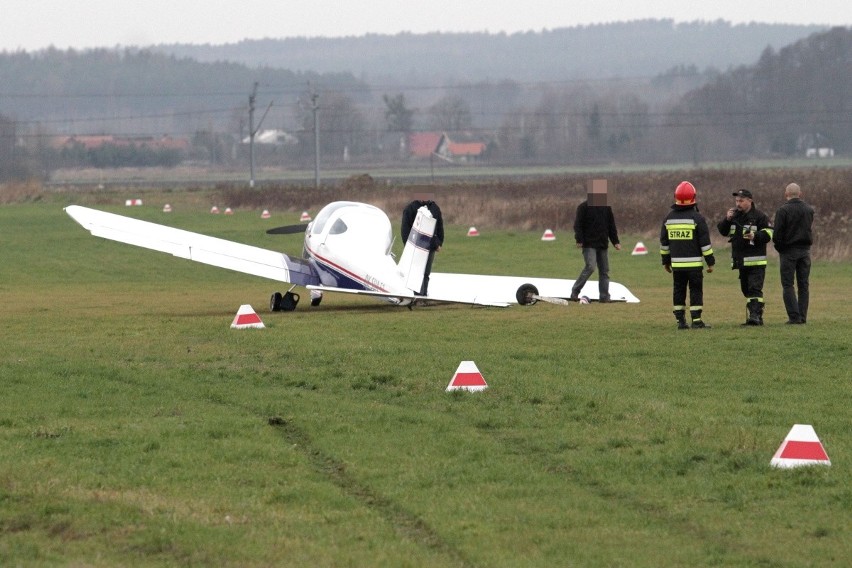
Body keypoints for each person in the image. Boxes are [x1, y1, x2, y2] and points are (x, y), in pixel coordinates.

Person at [660, 181, 715, 329]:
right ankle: (696, 321)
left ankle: (680, 321)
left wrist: (666, 261)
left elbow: (664, 244)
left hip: (677, 266)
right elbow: (705, 244)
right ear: (694, 198)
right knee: (695, 290)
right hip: (694, 265)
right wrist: (710, 262)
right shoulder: (698, 218)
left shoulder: (668, 218)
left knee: (678, 290)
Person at [717, 189, 774, 325]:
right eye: (737, 201)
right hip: (741, 261)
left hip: (756, 261)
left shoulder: (760, 217)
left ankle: (754, 316)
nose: (738, 203)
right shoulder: (735, 216)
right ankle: (757, 316)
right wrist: (727, 219)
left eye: (741, 201)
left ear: (750, 200)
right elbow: (722, 231)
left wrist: (756, 236)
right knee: (746, 290)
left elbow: (769, 234)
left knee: (755, 289)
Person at [571, 179, 621, 302]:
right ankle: (575, 291)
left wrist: (615, 241)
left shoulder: (606, 208)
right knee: (590, 267)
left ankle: (604, 297)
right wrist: (579, 240)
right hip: (589, 244)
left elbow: (611, 226)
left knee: (604, 271)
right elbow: (578, 225)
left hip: (602, 244)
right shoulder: (583, 207)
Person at [772, 182, 814, 324]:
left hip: (788, 251)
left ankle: (794, 317)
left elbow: (777, 235)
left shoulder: (782, 211)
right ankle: (802, 316)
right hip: (805, 251)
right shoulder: (809, 210)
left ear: (786, 194)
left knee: (788, 284)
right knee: (804, 284)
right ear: (800, 194)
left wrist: (780, 248)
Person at [401, 198, 444, 296]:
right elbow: (405, 229)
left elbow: (440, 227)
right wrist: (408, 246)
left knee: (426, 273)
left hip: (430, 246)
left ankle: (424, 295)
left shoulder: (434, 208)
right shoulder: (410, 209)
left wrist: (439, 243)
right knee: (417, 272)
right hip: (416, 247)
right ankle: (418, 296)